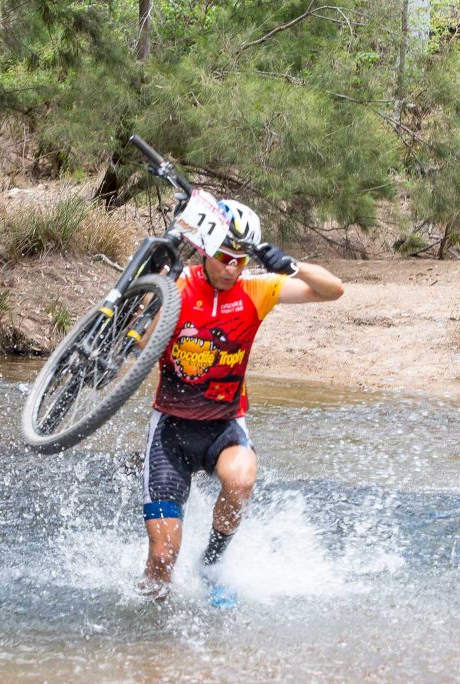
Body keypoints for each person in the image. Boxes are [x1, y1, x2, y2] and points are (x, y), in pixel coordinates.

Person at [137, 199, 344, 604]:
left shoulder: (256, 289)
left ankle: (212, 564)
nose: (232, 268)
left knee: (242, 478)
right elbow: (139, 349)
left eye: (240, 259)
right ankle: (148, 636)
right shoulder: (178, 288)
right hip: (171, 433)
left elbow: (333, 290)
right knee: (162, 558)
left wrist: (290, 265)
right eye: (224, 258)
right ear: (205, 251)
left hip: (224, 427)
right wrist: (154, 306)